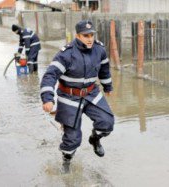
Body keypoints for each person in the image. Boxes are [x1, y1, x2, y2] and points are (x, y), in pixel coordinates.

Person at [40, 20, 114, 169]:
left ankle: (95, 139)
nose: (90, 38)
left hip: (91, 93)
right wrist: (48, 99)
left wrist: (107, 86)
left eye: (92, 35)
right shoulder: (66, 54)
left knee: (107, 123)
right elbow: (49, 76)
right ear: (78, 35)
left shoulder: (99, 49)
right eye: (86, 35)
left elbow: (104, 69)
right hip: (69, 97)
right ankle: (66, 161)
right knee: (72, 139)